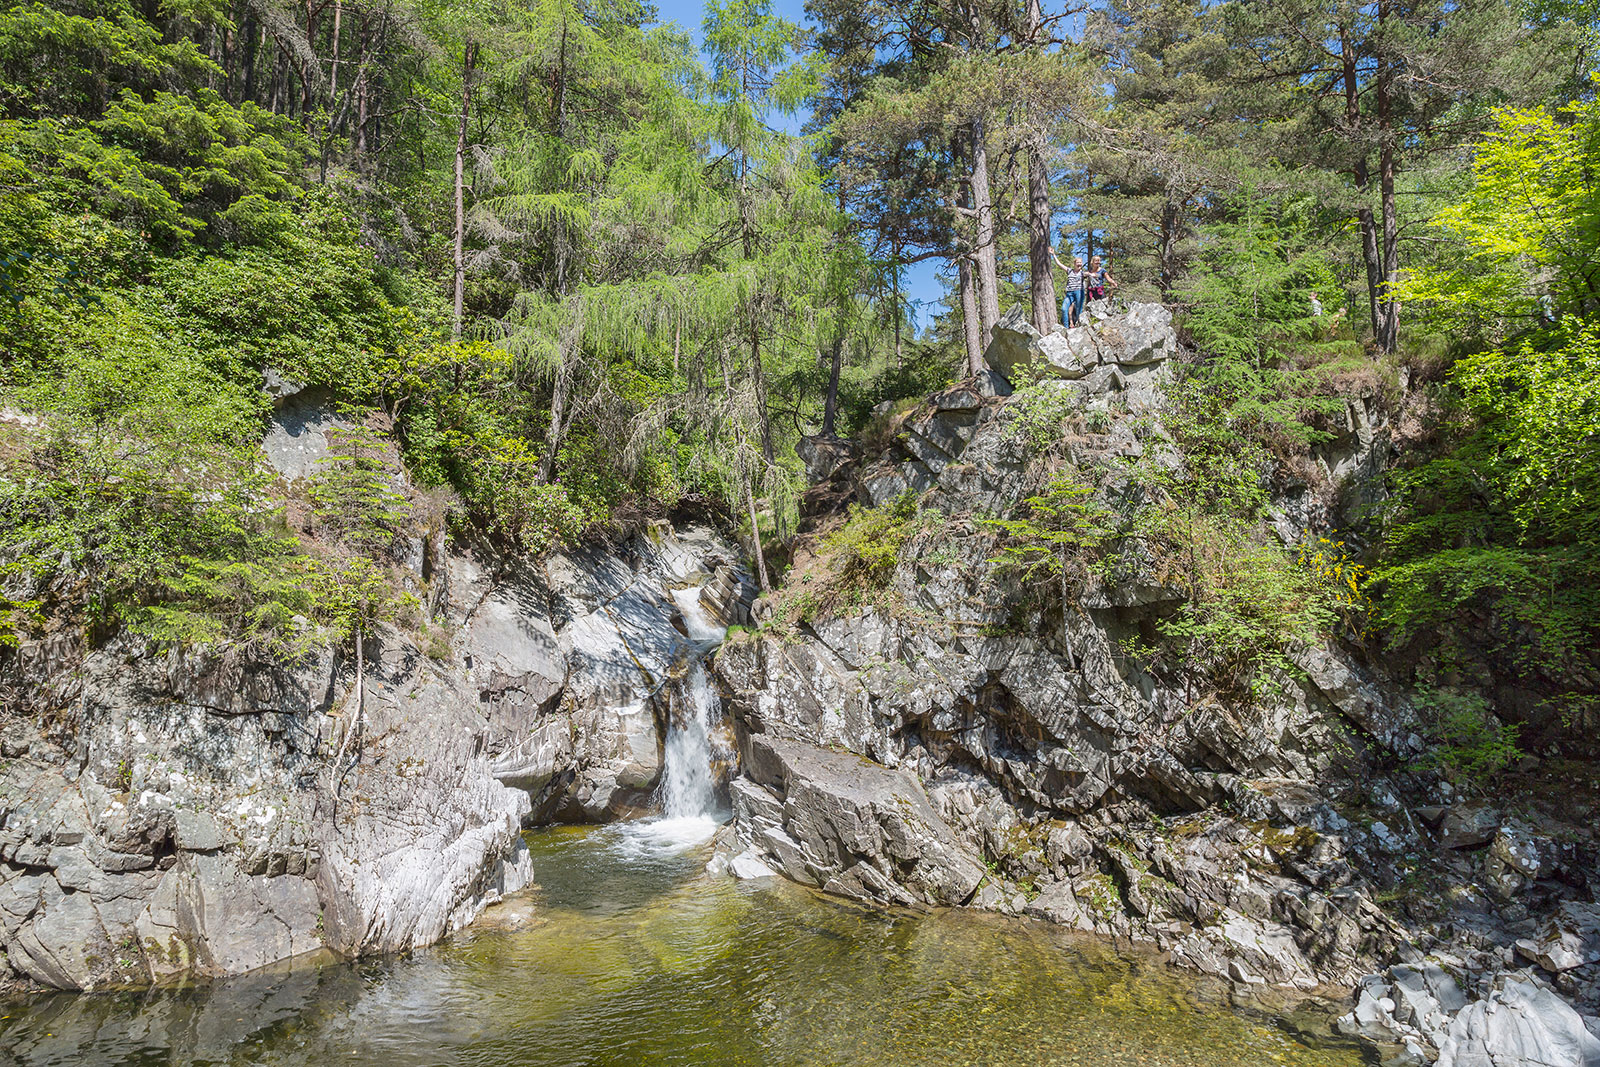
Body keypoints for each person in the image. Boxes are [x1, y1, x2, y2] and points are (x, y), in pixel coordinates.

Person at [1050, 232, 1086, 326]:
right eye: (1077, 262)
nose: (1079, 264)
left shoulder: (1082, 273)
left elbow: (1090, 274)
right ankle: (1066, 327)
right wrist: (1053, 255)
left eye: (1080, 263)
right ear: (1074, 264)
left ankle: (1079, 325)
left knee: (1079, 309)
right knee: (1064, 308)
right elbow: (1059, 264)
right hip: (1069, 293)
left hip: (1079, 291)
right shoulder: (1069, 271)